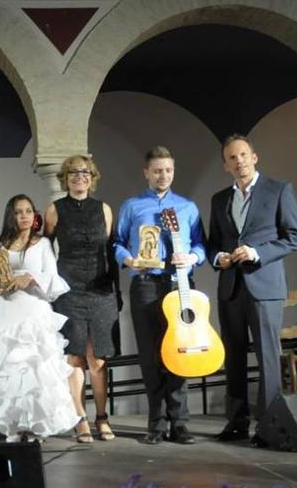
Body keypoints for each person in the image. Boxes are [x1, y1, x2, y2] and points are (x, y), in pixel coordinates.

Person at [208, 134, 297, 446]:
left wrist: (257, 252)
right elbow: (214, 243)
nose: (239, 162)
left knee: (267, 357)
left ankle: (270, 426)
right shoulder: (219, 199)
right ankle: (236, 424)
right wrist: (219, 257)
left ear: (255, 157)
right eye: (232, 158)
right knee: (233, 358)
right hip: (231, 288)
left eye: (243, 155)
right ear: (226, 166)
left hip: (264, 286)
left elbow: (295, 236)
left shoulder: (278, 190)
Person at [113, 146, 206, 445]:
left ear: (173, 171)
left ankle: (180, 424)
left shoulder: (188, 207)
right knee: (151, 354)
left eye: (167, 170)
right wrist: (128, 260)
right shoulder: (131, 206)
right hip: (145, 284)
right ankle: (156, 424)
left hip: (180, 284)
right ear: (146, 173)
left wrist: (191, 258)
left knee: (180, 351)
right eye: (157, 170)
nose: (162, 175)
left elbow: (202, 247)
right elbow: (116, 243)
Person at [0, 194, 79, 442]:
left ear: (34, 216)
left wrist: (30, 278)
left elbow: (53, 279)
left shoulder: (42, 244)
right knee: (9, 367)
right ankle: (13, 425)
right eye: (19, 212)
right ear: (11, 216)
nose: (24, 216)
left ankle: (34, 426)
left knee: (34, 368)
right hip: (7, 309)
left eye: (28, 211)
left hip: (33, 308)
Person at [44, 155, 120, 443]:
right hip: (69, 289)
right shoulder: (55, 209)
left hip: (101, 291)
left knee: (98, 359)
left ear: (92, 176)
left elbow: (111, 252)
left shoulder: (104, 209)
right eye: (74, 172)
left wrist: (117, 292)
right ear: (66, 177)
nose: (80, 176)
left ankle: (102, 418)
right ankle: (80, 419)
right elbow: (45, 248)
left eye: (85, 172)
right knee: (75, 358)